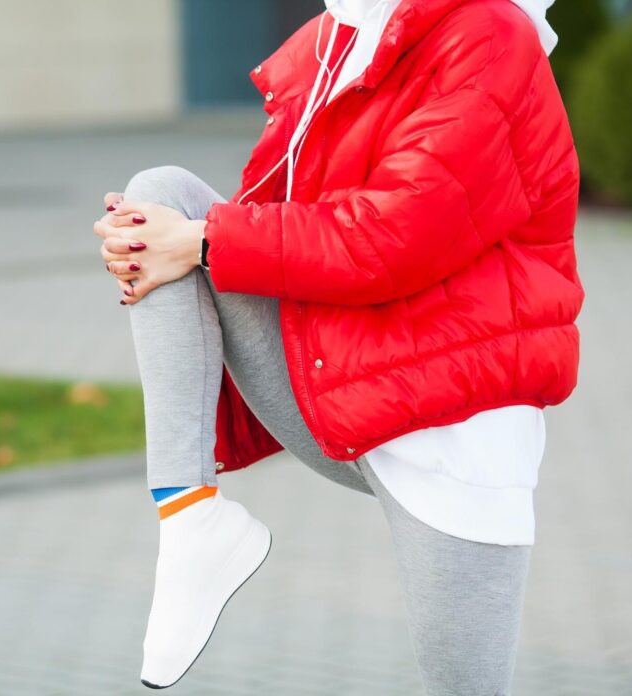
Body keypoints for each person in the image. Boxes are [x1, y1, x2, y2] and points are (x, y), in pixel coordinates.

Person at [92, 0, 583, 692]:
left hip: (453, 425)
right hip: (337, 380)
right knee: (159, 198)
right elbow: (278, 219)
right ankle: (189, 518)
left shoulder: (491, 34)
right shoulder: (338, 37)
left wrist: (201, 243)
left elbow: (395, 237)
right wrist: (159, 244)